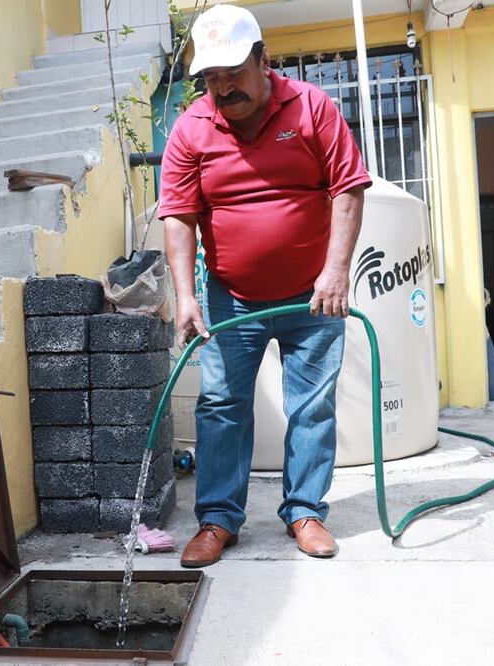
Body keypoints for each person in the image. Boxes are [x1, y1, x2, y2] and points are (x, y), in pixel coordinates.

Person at [159, 3, 372, 568]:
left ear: (263, 60)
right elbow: (178, 214)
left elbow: (347, 189)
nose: (222, 89)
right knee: (221, 405)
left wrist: (335, 271)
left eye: (234, 74)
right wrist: (185, 296)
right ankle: (217, 520)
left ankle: (305, 512)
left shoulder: (312, 108)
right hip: (232, 295)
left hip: (314, 294)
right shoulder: (191, 129)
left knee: (312, 406)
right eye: (211, 79)